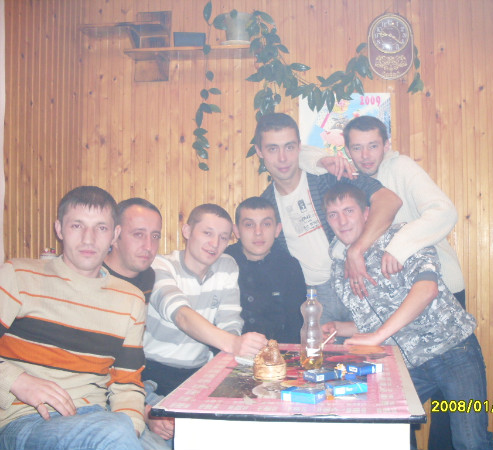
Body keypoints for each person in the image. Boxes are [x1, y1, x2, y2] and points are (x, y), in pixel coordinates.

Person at [300, 115, 465, 448]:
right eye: (356, 148)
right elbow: (300, 153)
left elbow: (444, 212)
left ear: (387, 145)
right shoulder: (352, 177)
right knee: (398, 405)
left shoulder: (400, 168)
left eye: (373, 146)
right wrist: (325, 160)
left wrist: (397, 248)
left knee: (450, 415)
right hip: (390, 299)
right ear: (346, 150)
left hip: (436, 289)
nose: (365, 155)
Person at [321, 184, 493, 450]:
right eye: (333, 214)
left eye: (349, 211)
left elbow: (427, 290)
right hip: (405, 367)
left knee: (470, 441)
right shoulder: (339, 269)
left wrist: (377, 336)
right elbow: (374, 324)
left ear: (366, 213)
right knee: (384, 433)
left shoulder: (402, 237)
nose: (342, 221)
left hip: (453, 352)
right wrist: (338, 327)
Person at [0, 186, 146, 450]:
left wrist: (132, 428)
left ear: (115, 235)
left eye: (101, 228)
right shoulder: (19, 276)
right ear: (59, 229)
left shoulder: (131, 299)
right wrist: (16, 380)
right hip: (26, 420)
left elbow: (126, 384)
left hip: (100, 418)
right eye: (77, 226)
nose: (88, 239)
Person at [254, 113, 402, 325]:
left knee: (375, 343)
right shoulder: (266, 206)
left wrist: (356, 250)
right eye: (272, 149)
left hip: (359, 279)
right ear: (260, 151)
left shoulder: (330, 176)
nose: (283, 158)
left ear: (300, 147)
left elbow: (389, 201)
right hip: (312, 297)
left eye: (289, 147)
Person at [143, 204, 268, 397]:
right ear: (187, 231)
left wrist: (236, 347)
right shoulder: (160, 265)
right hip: (153, 372)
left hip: (200, 371)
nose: (215, 243)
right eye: (207, 233)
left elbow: (230, 323)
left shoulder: (226, 266)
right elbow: (181, 316)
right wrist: (234, 343)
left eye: (223, 237)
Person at [102, 197, 172, 449]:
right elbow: (95, 369)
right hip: (102, 392)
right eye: (138, 234)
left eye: (155, 236)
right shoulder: (94, 279)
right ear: (115, 235)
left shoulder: (148, 277)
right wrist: (143, 410)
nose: (148, 246)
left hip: (138, 383)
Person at [225, 196, 305, 344]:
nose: (258, 232)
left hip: (279, 352)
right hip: (230, 349)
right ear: (237, 231)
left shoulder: (289, 267)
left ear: (277, 230)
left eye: (266, 224)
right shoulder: (223, 263)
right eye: (249, 225)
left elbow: (296, 327)